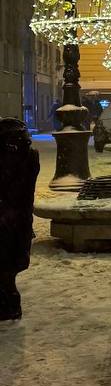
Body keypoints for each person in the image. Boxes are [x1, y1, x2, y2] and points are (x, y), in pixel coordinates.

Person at [0, 119, 40, 321]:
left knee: (5, 271)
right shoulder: (30, 157)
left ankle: (9, 307)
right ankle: (10, 306)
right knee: (8, 273)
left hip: (8, 222)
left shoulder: (10, 161)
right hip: (20, 221)